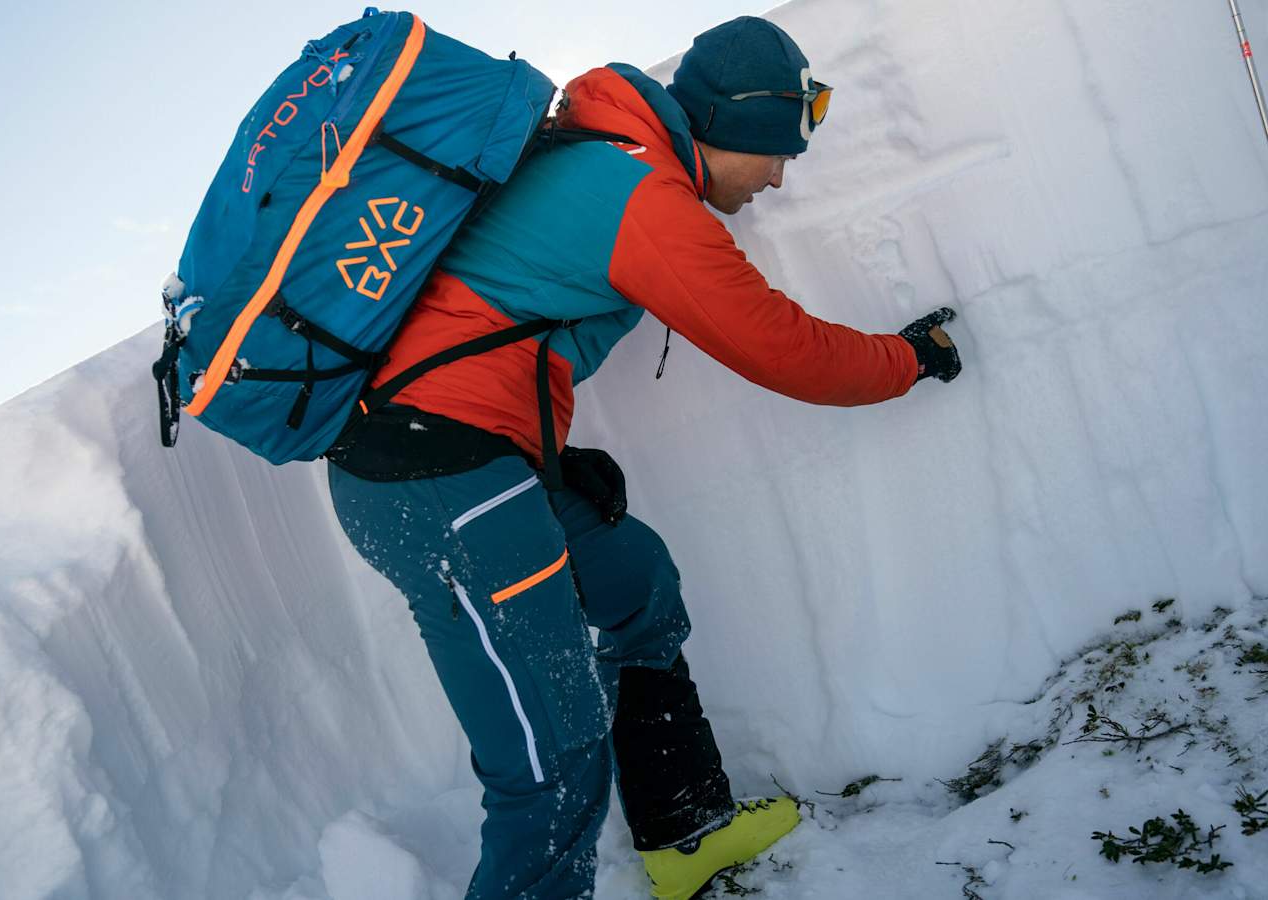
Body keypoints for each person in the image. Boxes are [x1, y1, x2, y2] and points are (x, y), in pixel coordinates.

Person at [324, 15, 962, 900]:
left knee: (635, 584)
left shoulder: (604, 153)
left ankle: (684, 829)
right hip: (435, 483)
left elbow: (490, 326)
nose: (778, 176)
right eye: (774, 152)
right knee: (551, 758)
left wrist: (541, 456)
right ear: (730, 125)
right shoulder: (642, 196)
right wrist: (909, 360)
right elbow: (784, 350)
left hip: (476, 463)